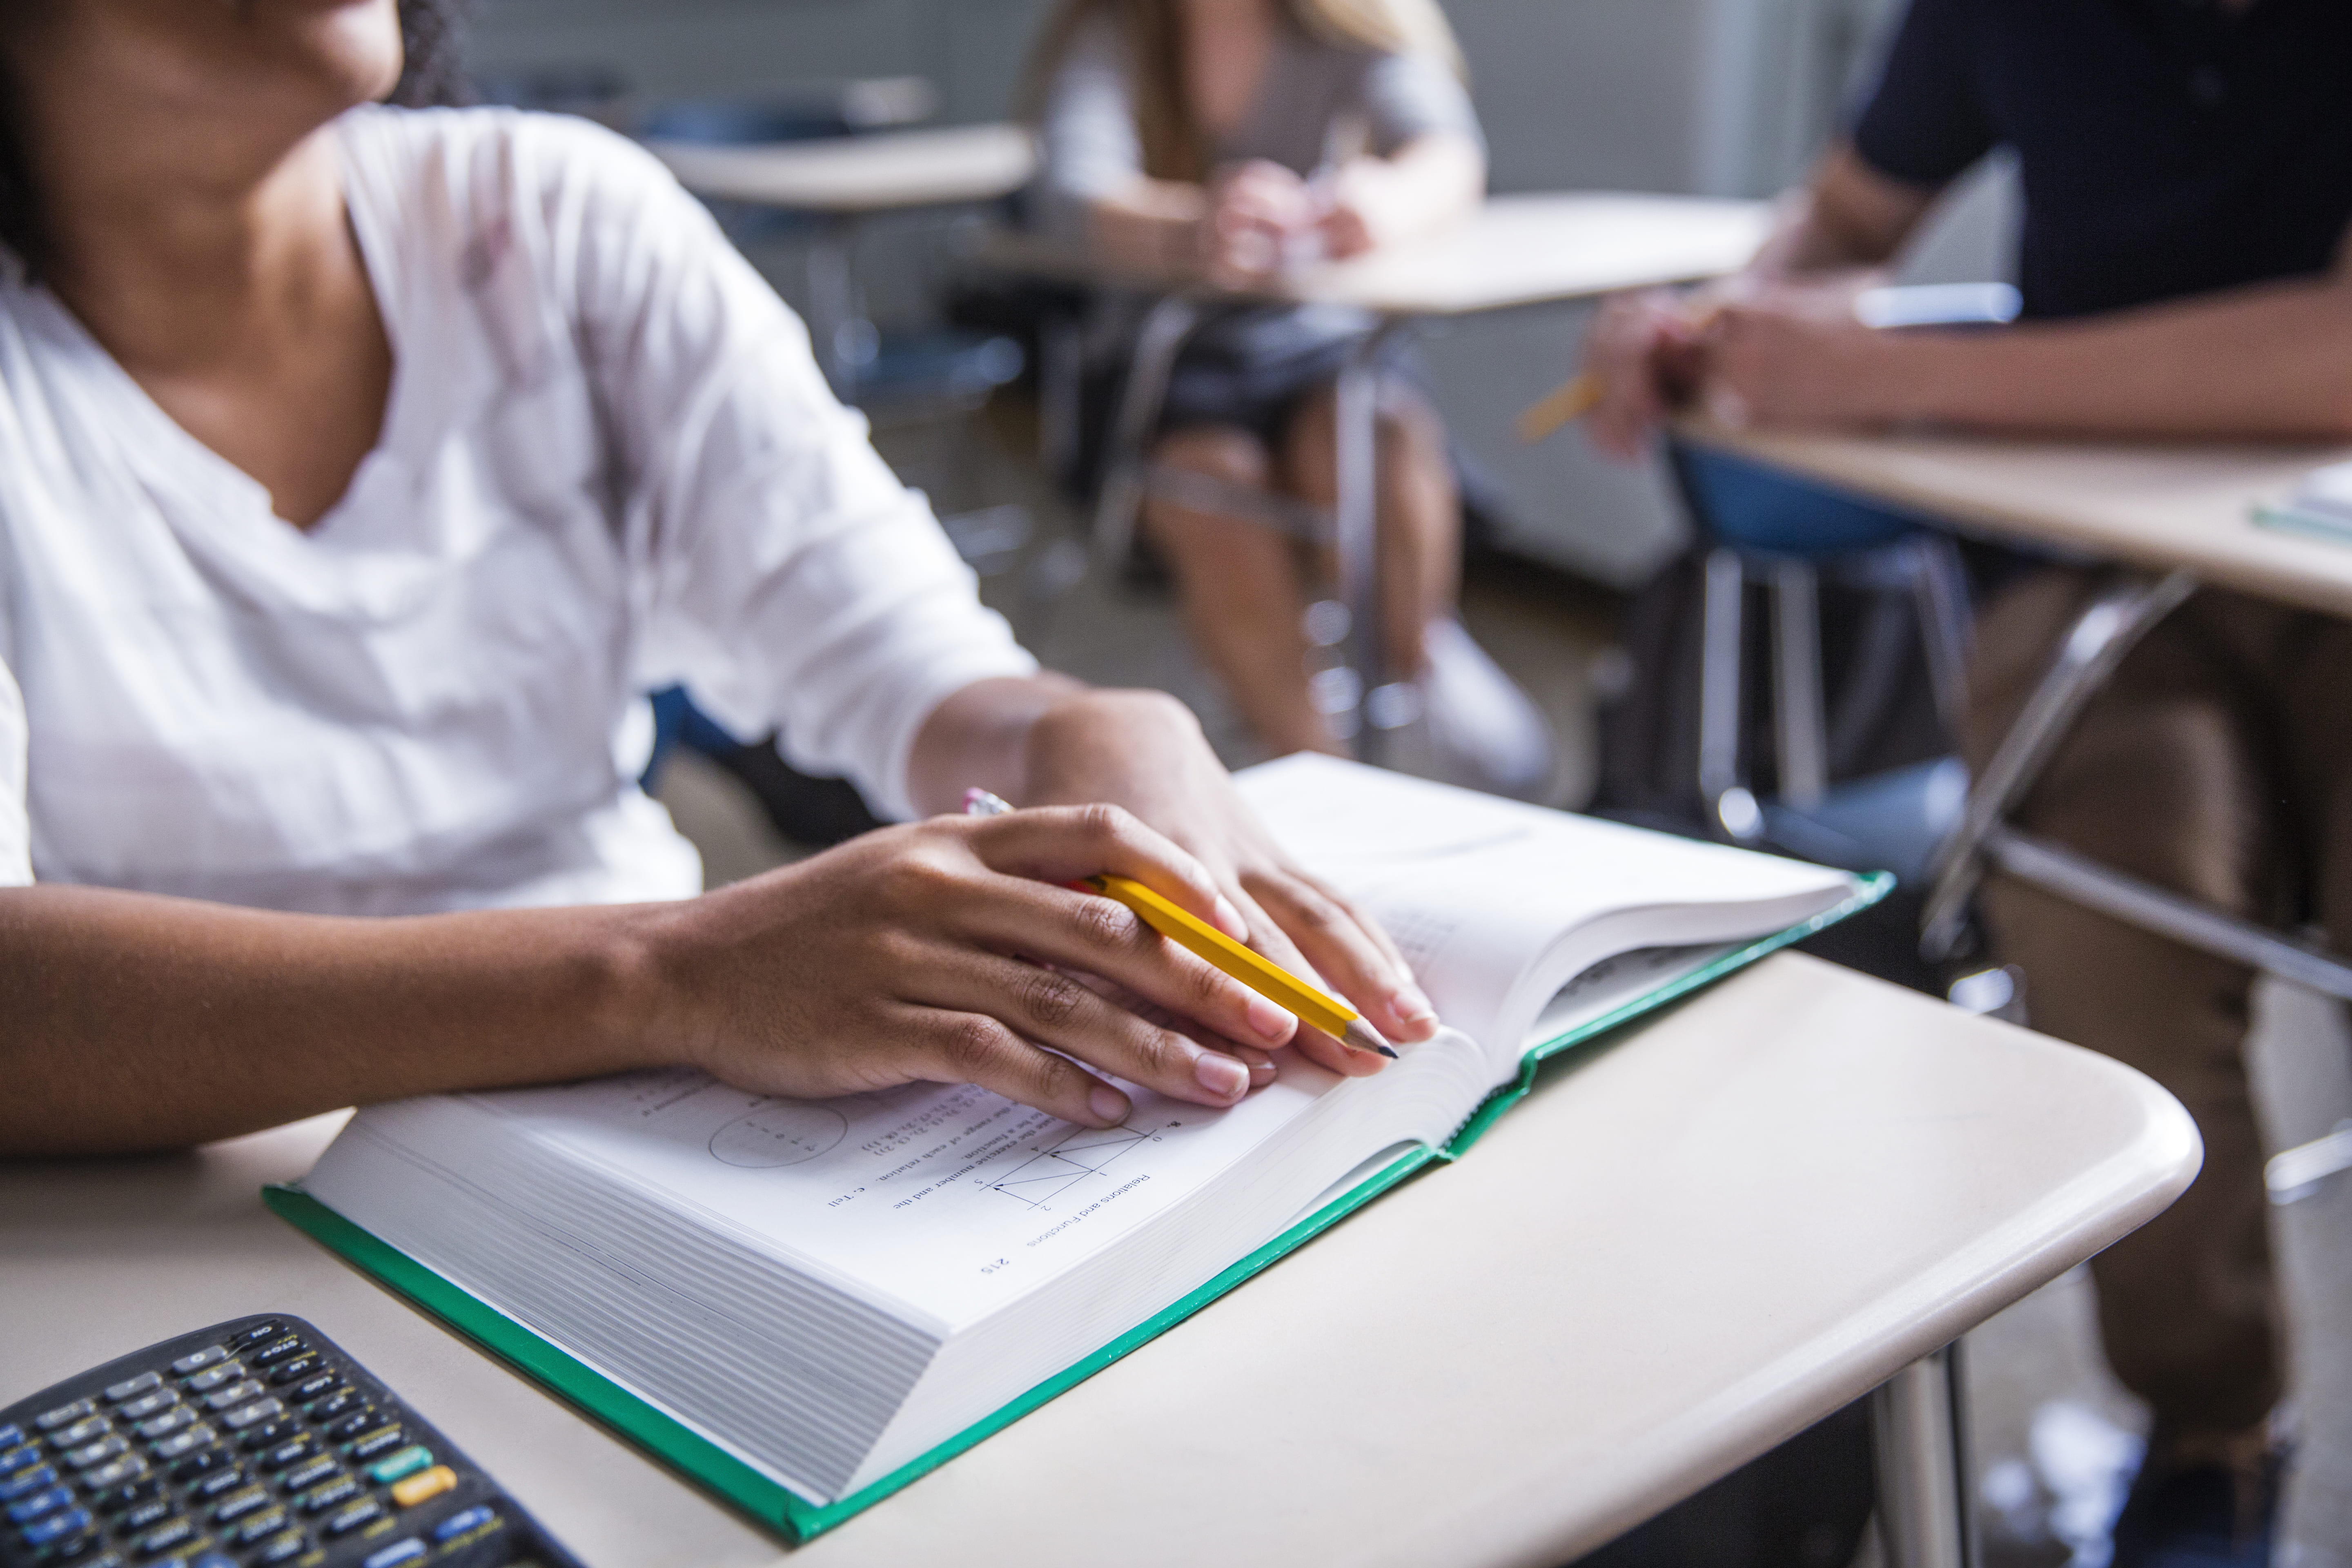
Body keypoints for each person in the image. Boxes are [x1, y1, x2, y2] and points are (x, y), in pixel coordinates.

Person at [0, 0, 1447, 1160]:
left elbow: (917, 670)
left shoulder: (556, 218)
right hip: (193, 1187)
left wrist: (1077, 728)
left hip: (641, 1133)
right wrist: (674, 972)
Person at [1581, 1, 2352, 1561]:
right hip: (2085, 585)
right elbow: (1841, 221)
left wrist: (1895, 377)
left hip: (2323, 561)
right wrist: (1732, 316)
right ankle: (2213, 1425)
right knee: (2099, 905)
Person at [1024, 0, 1554, 794]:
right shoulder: (1120, 33)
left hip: (1313, 352)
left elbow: (1445, 150)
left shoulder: (1341, 26)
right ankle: (1323, 776)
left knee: (1371, 435)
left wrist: (1380, 205)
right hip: (1168, 374)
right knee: (1211, 484)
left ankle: (1423, 665)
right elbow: (1072, 186)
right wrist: (1194, 225)